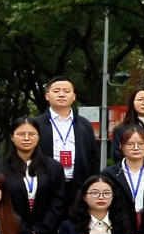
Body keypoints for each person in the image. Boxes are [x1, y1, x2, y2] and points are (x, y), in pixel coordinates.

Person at [0, 117, 66, 234]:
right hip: (10, 233)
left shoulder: (54, 167)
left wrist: (40, 230)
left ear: (39, 136)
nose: (26, 138)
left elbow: (57, 202)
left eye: (31, 134)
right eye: (20, 134)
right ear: (12, 137)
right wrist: (23, 231)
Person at [34, 76, 100, 213]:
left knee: (77, 223)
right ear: (47, 96)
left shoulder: (85, 124)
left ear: (74, 96)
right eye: (56, 91)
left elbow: (93, 157)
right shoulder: (36, 124)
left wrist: (92, 185)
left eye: (66, 91)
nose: (61, 94)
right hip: (46, 186)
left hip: (78, 186)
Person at [58, 176, 142, 234]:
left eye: (107, 193)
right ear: (84, 197)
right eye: (94, 193)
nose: (101, 197)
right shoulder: (68, 227)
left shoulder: (124, 225)